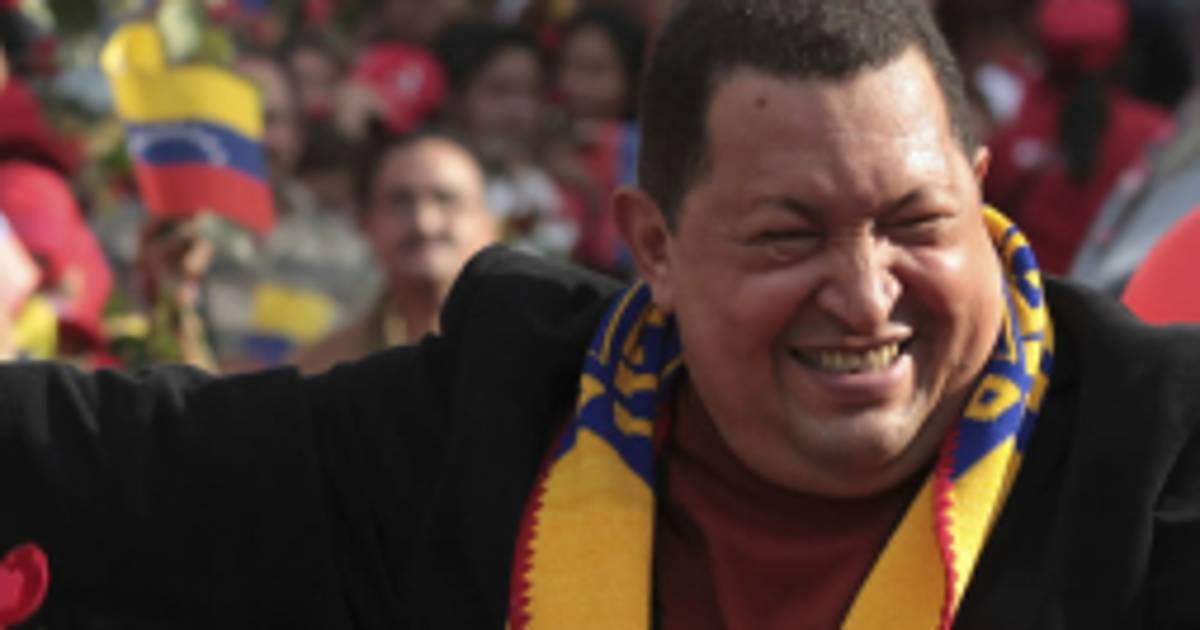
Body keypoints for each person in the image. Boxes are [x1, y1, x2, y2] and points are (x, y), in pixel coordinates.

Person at [0, 1, 1198, 628]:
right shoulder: (499, 423)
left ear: (981, 191)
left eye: (917, 223)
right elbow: (123, 464)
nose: (867, 290)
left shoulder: (1155, 460)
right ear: (655, 249)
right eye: (789, 237)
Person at [291, 131, 497, 375]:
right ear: (366, 224)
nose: (424, 223)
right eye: (400, 201)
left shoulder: (529, 358)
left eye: (446, 199)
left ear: (489, 225)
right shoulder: (323, 370)